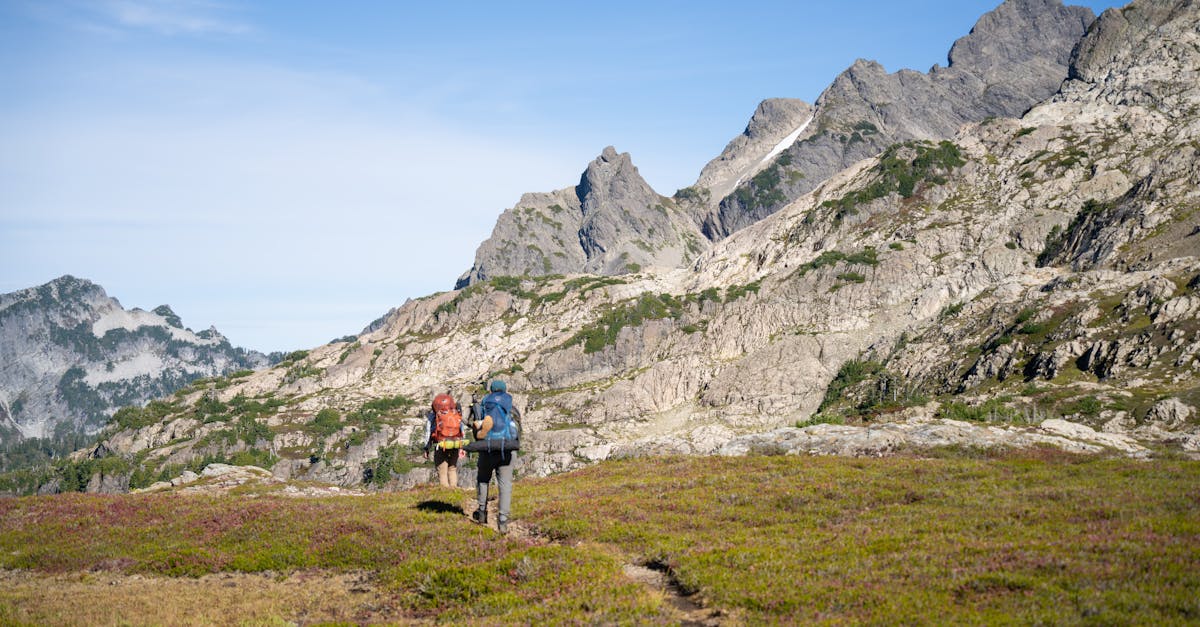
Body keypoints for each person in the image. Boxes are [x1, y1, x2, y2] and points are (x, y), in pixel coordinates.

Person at [471, 380, 521, 533]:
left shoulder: (485, 406)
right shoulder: (511, 408)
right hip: (506, 450)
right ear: (505, 391)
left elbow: (476, 430)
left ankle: (481, 512)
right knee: (505, 485)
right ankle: (503, 520)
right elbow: (518, 431)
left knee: (483, 479)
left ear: (491, 391)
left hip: (487, 448)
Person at [424, 392, 466, 488]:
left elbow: (428, 432)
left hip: (441, 444)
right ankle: (454, 490)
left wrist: (426, 448)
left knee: (442, 470)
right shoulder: (455, 413)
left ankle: (445, 493)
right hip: (455, 443)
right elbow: (461, 430)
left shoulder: (434, 416)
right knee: (452, 468)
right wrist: (462, 447)